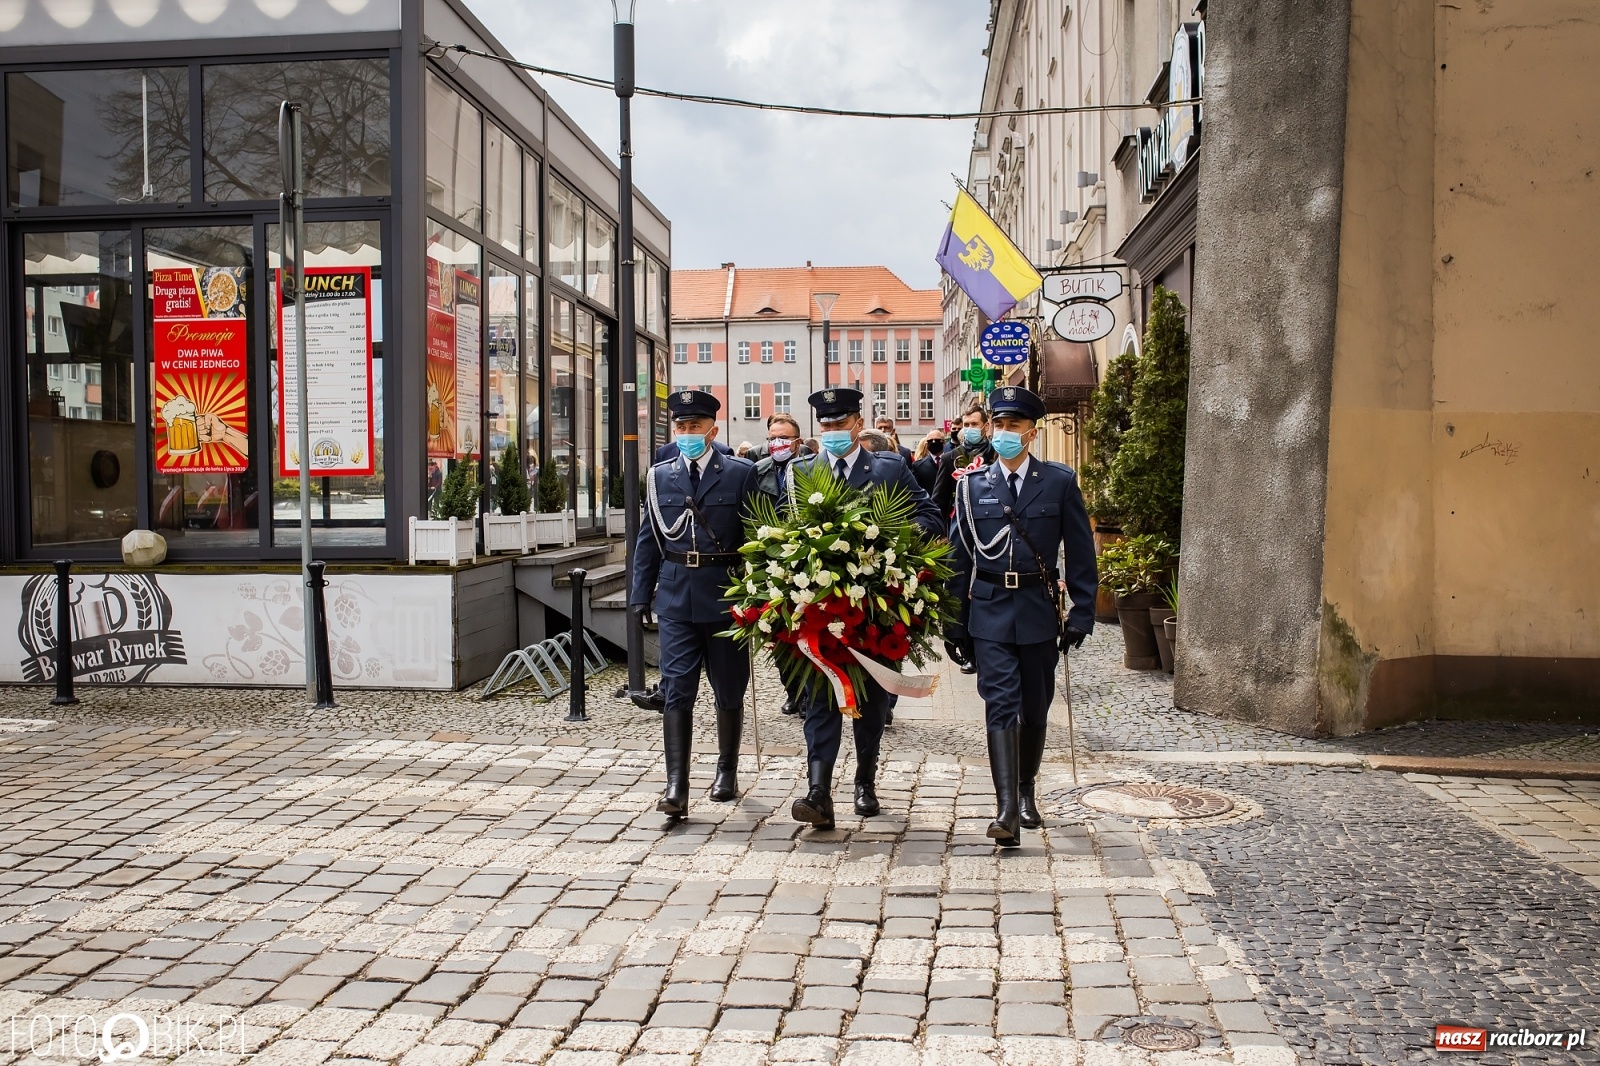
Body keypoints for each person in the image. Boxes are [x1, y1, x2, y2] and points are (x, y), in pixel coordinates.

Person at [945, 386, 1096, 848]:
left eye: (1014, 426)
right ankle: (1006, 807)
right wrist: (954, 620)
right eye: (998, 425)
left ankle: (1027, 789)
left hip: (1037, 609)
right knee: (1000, 704)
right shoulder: (971, 487)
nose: (1004, 433)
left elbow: (1082, 552)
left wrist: (1082, 613)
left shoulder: (1058, 482)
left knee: (1034, 707)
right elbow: (958, 558)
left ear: (1031, 432)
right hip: (989, 609)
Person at [787, 388, 944, 830]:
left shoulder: (889, 468)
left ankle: (865, 780)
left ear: (858, 424)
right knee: (820, 696)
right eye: (826, 426)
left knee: (872, 699)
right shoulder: (802, 472)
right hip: (820, 605)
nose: (833, 432)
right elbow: (781, 525)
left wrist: (890, 537)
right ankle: (818, 790)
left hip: (878, 606)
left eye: (840, 424)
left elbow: (930, 516)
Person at [631, 390, 762, 818]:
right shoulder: (660, 475)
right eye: (681, 427)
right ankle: (676, 785)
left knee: (728, 688)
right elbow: (649, 539)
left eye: (695, 427)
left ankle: (727, 769)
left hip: (725, 595)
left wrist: (760, 595)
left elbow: (757, 537)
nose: (687, 434)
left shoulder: (740, 474)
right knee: (677, 691)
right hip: (675, 596)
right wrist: (640, 594)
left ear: (713, 430)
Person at [752, 412, 811, 717]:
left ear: (797, 441)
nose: (778, 443)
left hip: (806, 555)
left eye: (784, 437)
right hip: (771, 557)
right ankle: (793, 691)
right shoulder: (758, 470)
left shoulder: (812, 468)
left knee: (807, 626)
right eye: (773, 437)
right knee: (779, 630)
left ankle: (810, 693)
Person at [933, 401, 998, 517]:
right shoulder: (949, 459)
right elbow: (939, 502)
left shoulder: (997, 454)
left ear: (986, 426)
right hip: (961, 523)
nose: (970, 428)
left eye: (974, 424)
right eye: (966, 425)